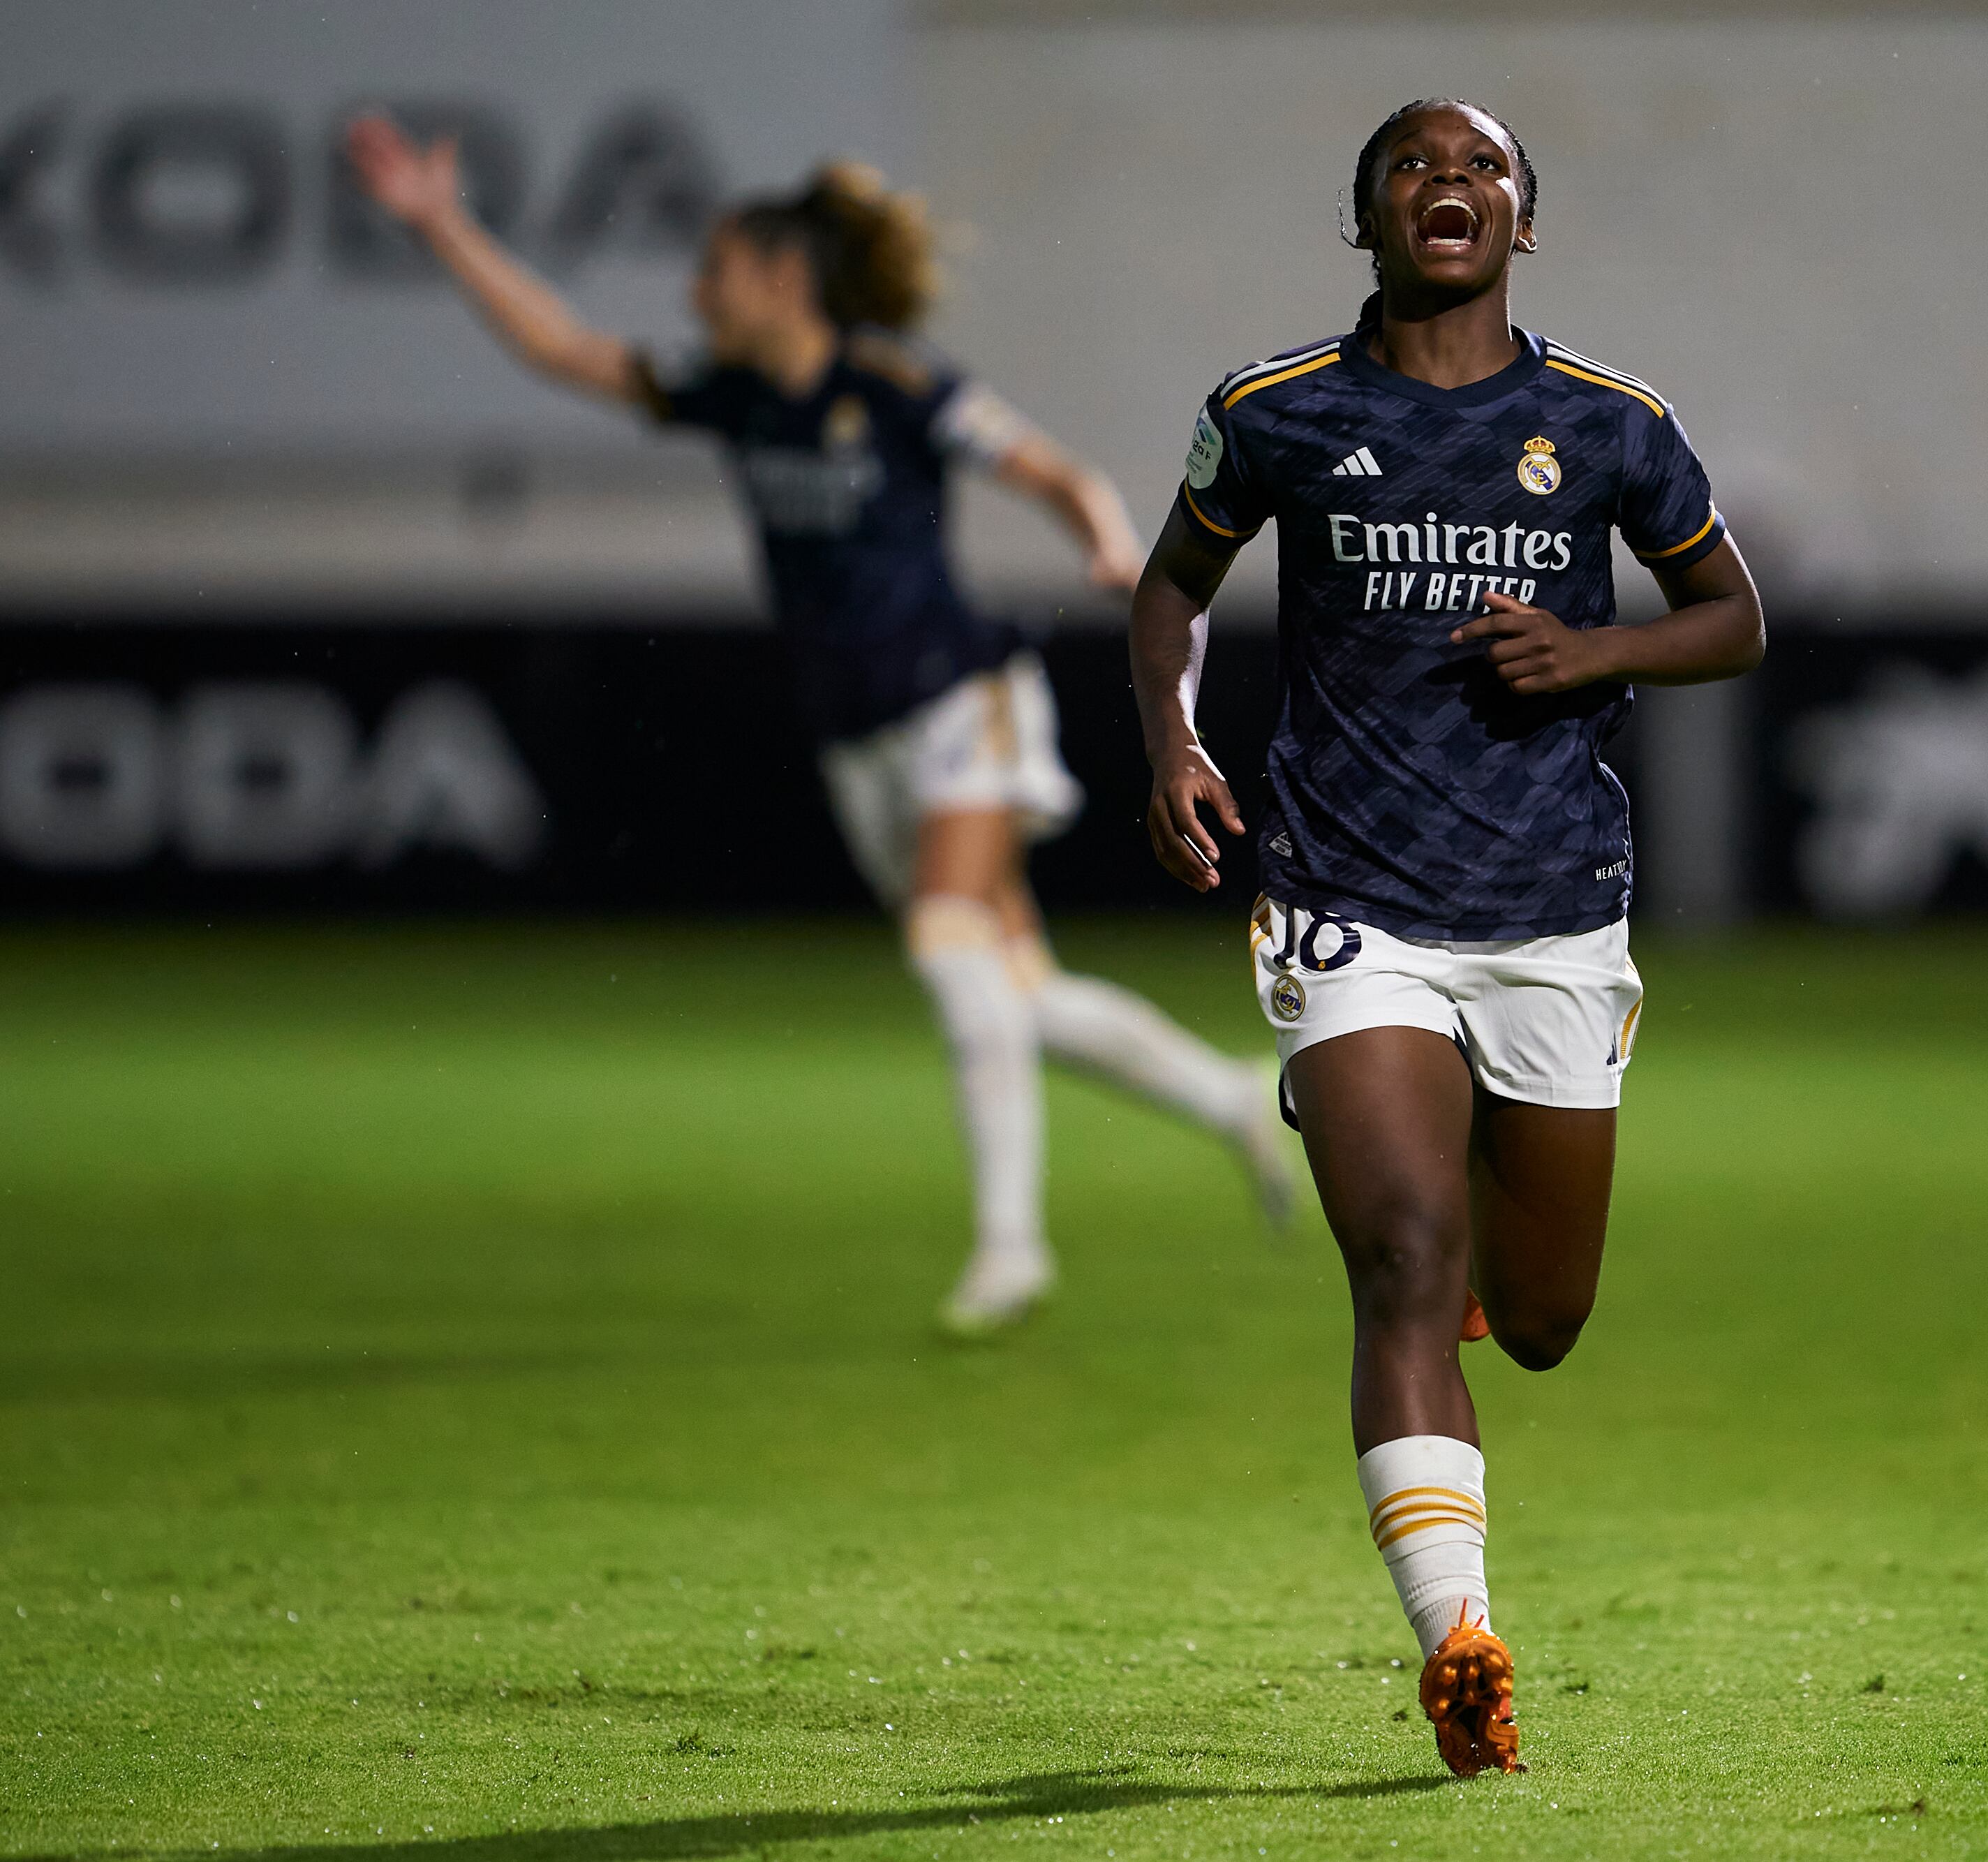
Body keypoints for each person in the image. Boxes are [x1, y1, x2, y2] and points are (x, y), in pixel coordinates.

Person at [344, 114, 1293, 1336]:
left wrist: (1106, 541)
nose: (696, 293)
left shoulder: (894, 384)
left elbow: (1054, 471)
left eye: (715, 270)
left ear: (784, 278)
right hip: (861, 738)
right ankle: (1231, 1098)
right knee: (1015, 989)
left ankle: (1012, 1249)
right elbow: (563, 349)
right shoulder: (732, 396)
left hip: (967, 702)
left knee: (952, 950)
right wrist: (439, 223)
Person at [1127, 98, 1764, 1776]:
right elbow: (1168, 591)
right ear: (1367, 218)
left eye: (1481, 167)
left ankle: (1469, 1218)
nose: (1449, 186)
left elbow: (1732, 618)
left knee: (1537, 1313)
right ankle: (1459, 1638)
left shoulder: (1607, 424)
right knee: (1400, 1258)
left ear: (1523, 223)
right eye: (1414, 166)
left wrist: (1592, 652)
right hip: (1350, 902)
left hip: (1553, 910)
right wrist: (1174, 742)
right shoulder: (1274, 411)